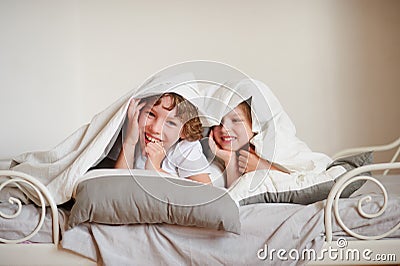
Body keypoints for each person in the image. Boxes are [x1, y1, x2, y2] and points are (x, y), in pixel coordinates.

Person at [115, 93, 211, 184]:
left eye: (170, 123)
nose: (155, 129)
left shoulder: (186, 149)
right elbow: (118, 186)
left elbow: (207, 193)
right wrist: (129, 143)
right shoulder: (133, 133)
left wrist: (156, 169)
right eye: (151, 114)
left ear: (184, 131)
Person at [208, 101, 287, 188]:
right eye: (218, 122)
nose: (224, 129)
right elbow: (236, 195)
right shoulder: (215, 161)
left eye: (236, 120)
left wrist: (262, 167)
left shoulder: (275, 151)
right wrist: (230, 161)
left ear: (255, 124)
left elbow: (295, 184)